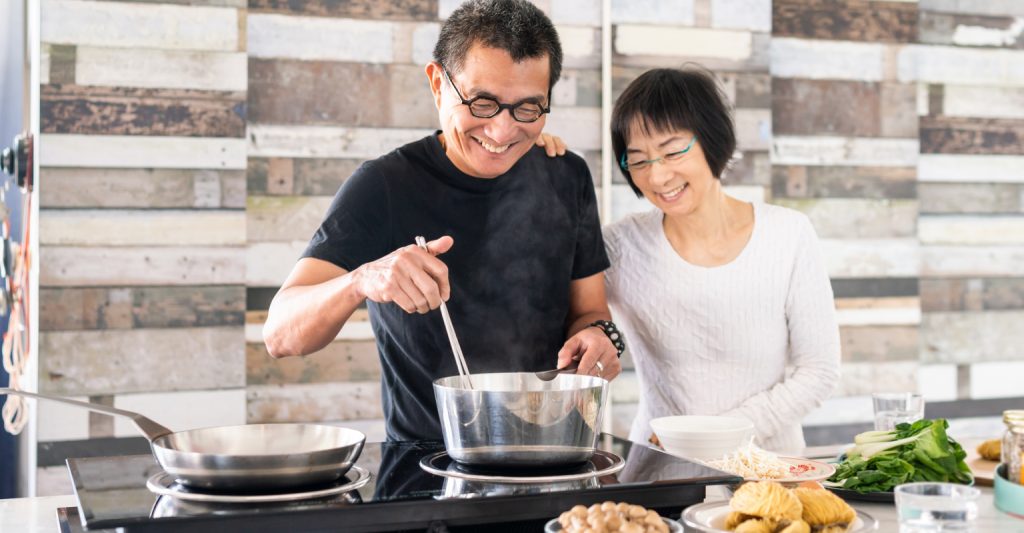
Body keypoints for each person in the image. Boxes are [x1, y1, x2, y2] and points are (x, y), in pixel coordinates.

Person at [263, 0, 623, 442]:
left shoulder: (566, 174)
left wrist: (598, 338)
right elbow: (281, 336)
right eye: (483, 102)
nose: (503, 131)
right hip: (425, 471)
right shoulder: (386, 186)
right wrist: (362, 280)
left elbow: (589, 311)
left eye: (529, 108)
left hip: (551, 456)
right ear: (438, 84)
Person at [604, 66, 840, 454]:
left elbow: (819, 372)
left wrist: (711, 435)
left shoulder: (788, 234)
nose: (658, 176)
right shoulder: (620, 245)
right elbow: (543, 299)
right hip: (660, 473)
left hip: (767, 473)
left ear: (712, 140)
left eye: (672, 151)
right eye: (639, 160)